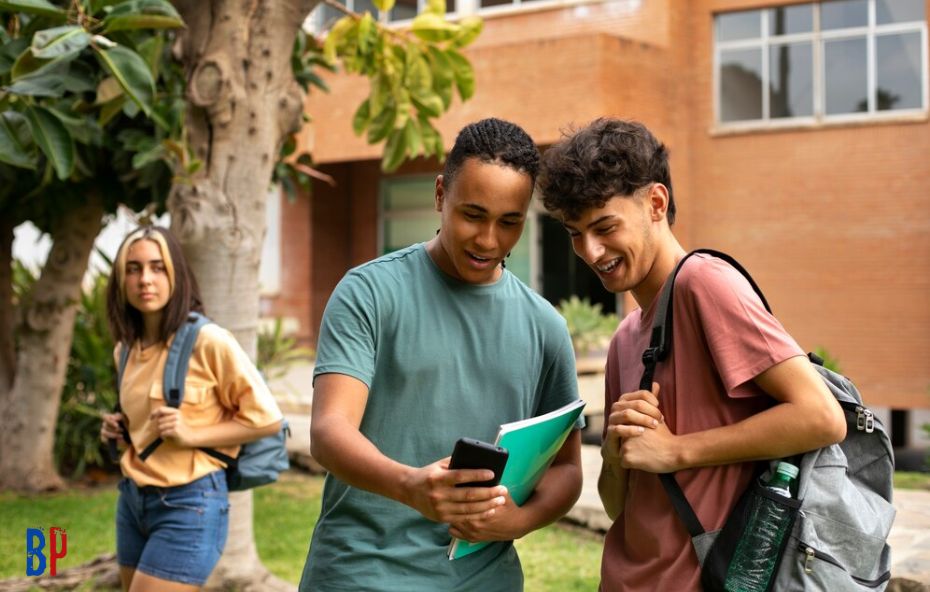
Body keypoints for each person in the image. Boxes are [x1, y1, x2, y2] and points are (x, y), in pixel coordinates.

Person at [537, 118, 847, 591]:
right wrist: (621, 455)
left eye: (604, 226)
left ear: (656, 203)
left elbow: (821, 417)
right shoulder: (625, 338)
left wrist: (677, 450)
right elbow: (621, 506)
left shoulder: (704, 283)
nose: (590, 250)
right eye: (575, 233)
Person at [299, 118, 584, 591]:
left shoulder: (545, 328)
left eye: (509, 222)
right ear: (439, 195)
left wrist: (519, 521)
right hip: (361, 574)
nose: (489, 240)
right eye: (472, 215)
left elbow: (568, 469)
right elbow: (329, 432)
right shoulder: (369, 292)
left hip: (484, 580)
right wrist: (411, 486)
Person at [99, 226, 283, 592]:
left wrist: (191, 433)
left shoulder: (209, 340)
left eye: (158, 268)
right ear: (120, 279)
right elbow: (145, 429)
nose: (145, 279)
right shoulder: (126, 350)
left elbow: (268, 420)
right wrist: (119, 431)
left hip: (189, 503)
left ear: (176, 275)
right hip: (133, 501)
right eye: (133, 269)